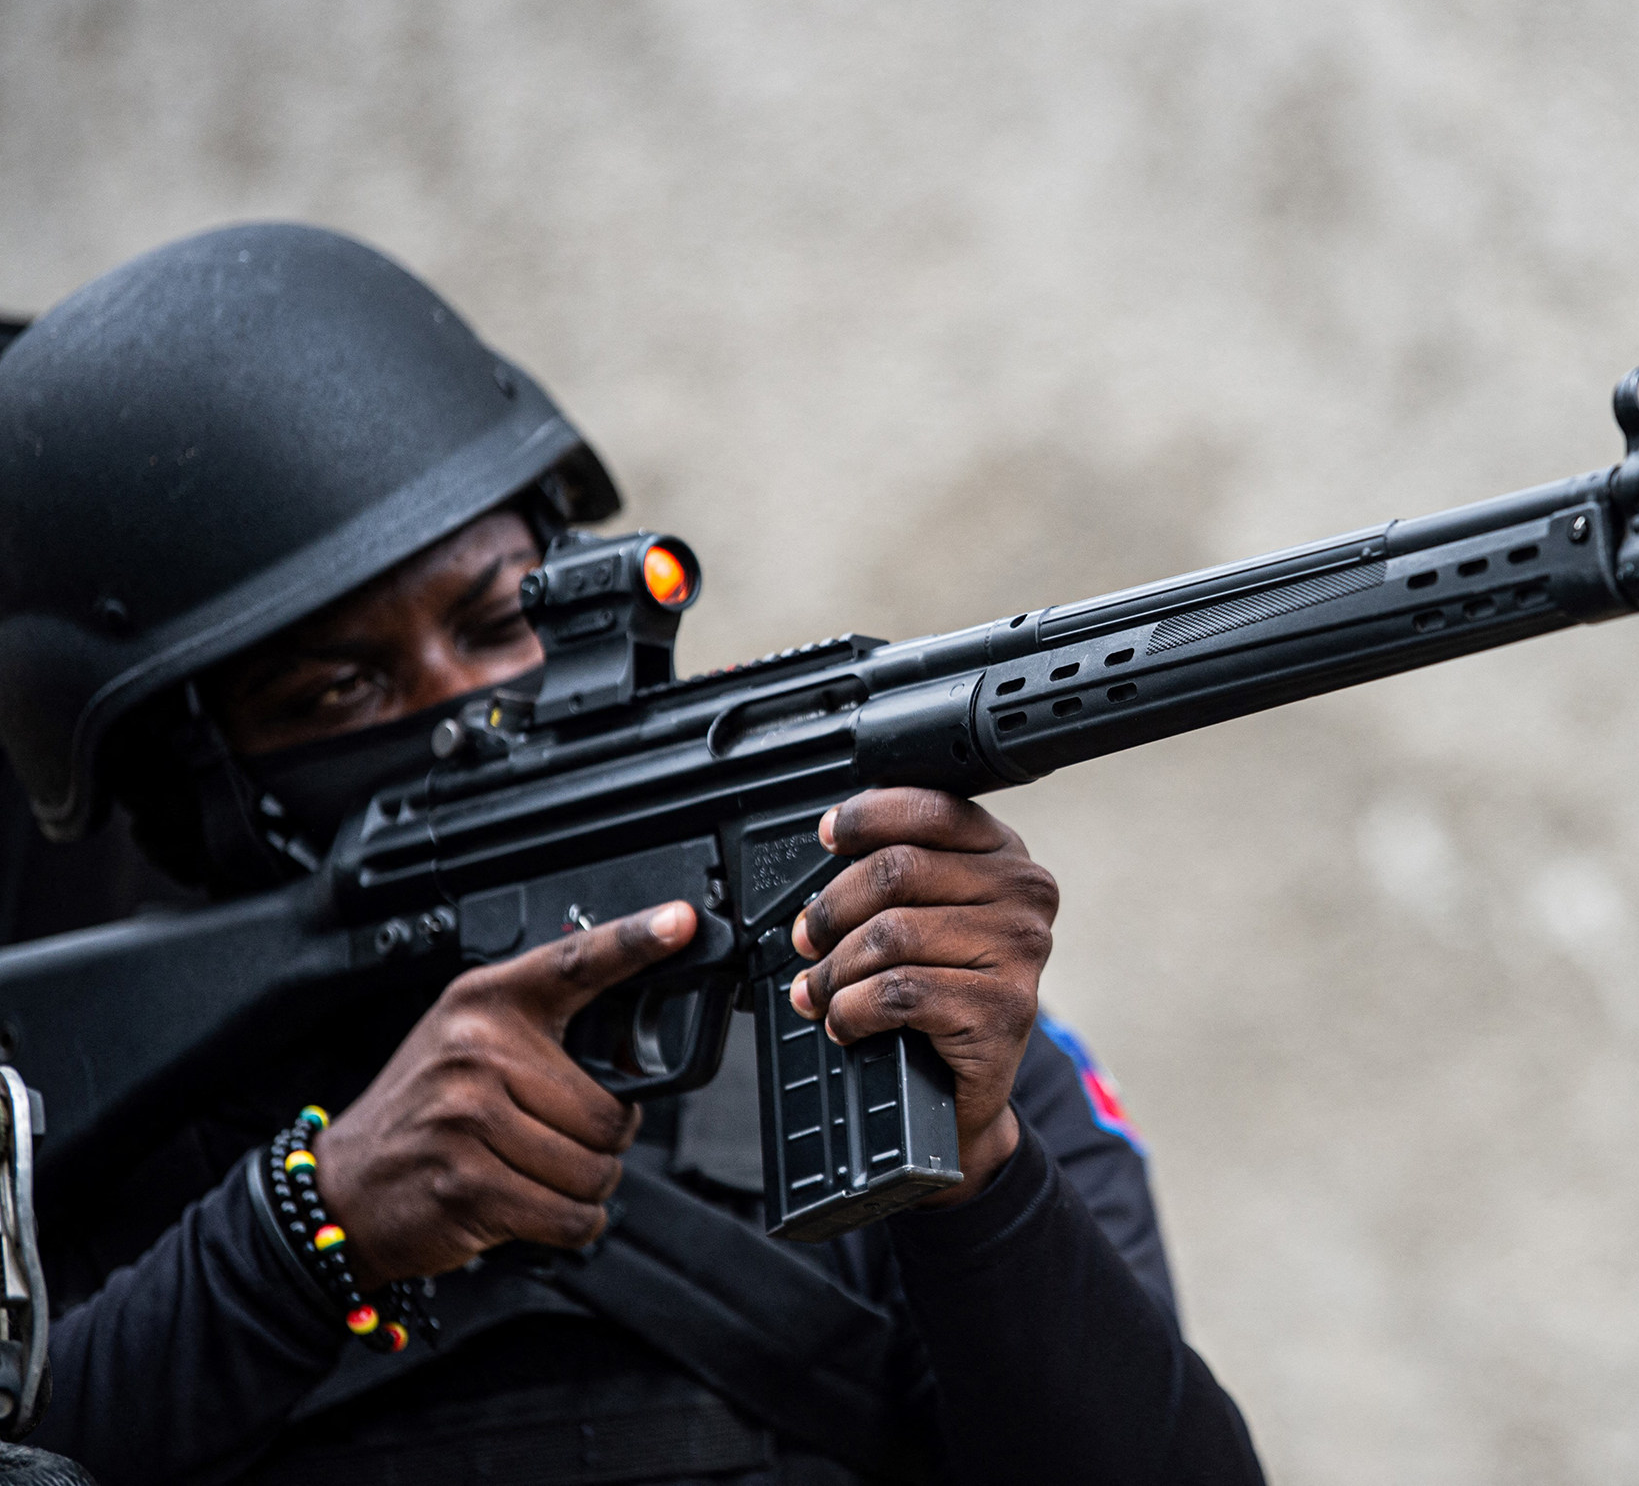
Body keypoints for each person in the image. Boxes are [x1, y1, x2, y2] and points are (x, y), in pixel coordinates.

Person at [0, 224, 1265, 1485]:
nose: (467, 708)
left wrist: (980, 1176)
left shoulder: (878, 1008)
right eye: (340, 689)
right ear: (185, 783)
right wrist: (299, 1231)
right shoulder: (70, 1148)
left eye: (501, 620)